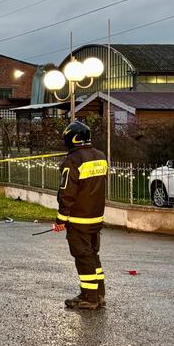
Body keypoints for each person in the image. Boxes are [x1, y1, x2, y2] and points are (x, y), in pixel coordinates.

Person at [53, 120, 108, 310]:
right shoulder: (100, 157)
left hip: (78, 220)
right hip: (96, 218)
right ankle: (99, 294)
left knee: (83, 257)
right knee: (93, 255)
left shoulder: (73, 160)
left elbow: (67, 192)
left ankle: (89, 297)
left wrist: (61, 219)